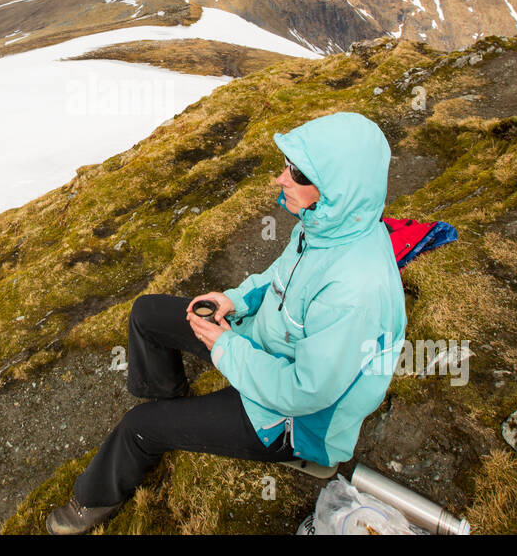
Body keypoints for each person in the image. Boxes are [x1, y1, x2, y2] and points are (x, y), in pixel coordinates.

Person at [46, 110, 407, 534]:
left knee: (138, 430)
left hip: (292, 421)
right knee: (147, 313)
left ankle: (92, 501)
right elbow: (277, 277)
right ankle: (168, 398)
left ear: (335, 191)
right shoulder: (325, 226)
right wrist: (232, 301)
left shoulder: (355, 291)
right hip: (264, 346)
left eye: (297, 173)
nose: (280, 179)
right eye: (287, 166)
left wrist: (224, 347)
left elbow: (305, 391)